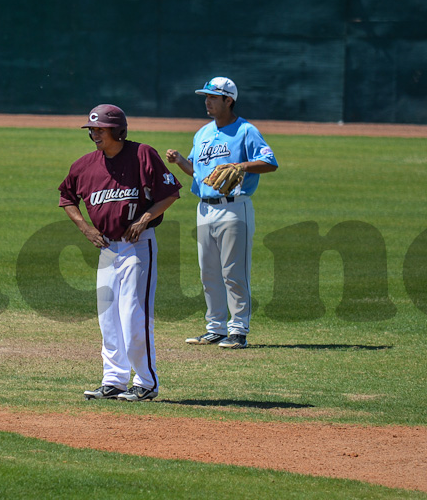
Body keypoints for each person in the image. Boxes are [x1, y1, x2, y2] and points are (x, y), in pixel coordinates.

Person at [59, 104, 182, 401]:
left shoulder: (142, 155)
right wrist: (86, 229)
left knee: (132, 315)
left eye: (100, 129)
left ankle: (146, 381)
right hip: (107, 248)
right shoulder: (85, 165)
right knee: (108, 318)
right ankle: (113, 379)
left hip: (138, 246)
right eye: (92, 129)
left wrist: (143, 219)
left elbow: (170, 194)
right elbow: (67, 198)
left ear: (118, 130)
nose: (95, 134)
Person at [166, 77, 278, 349]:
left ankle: (238, 330)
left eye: (213, 97)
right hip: (204, 208)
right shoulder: (203, 133)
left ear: (229, 100)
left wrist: (242, 166)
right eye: (206, 97)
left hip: (234, 207)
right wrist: (180, 160)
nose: (207, 102)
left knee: (233, 272)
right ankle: (215, 327)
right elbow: (197, 170)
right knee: (209, 273)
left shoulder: (246, 130)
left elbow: (270, 162)